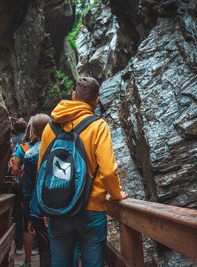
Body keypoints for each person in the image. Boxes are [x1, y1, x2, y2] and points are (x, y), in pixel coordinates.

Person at [38, 77, 128, 266]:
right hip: (91, 209)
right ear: (96, 100)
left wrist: (44, 205)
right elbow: (109, 171)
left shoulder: (50, 127)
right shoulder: (98, 126)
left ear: (73, 96)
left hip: (58, 207)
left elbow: (42, 170)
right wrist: (116, 194)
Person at [22, 113, 52, 267]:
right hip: (63, 206)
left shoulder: (30, 154)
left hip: (38, 208)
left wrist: (27, 216)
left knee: (45, 250)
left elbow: (27, 189)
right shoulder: (63, 148)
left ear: (33, 130)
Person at [12, 118, 38, 266]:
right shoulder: (49, 145)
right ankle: (37, 248)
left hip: (25, 189)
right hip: (44, 190)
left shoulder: (22, 147)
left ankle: (22, 251)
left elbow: (15, 170)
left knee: (22, 217)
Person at [8, 117, 27, 255]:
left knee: (16, 214)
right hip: (27, 180)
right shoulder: (27, 141)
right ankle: (33, 246)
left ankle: (19, 245)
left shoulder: (11, 141)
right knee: (29, 213)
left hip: (14, 181)